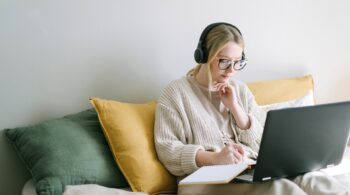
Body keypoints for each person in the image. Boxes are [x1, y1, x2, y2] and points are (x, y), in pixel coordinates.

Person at [154, 22, 350, 195]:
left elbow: (263, 144)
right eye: (224, 61)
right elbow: (168, 151)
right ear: (204, 56)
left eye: (238, 62)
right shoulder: (175, 93)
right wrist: (215, 158)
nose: (231, 70)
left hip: (248, 171)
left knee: (314, 180)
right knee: (282, 189)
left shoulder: (239, 89)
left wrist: (236, 109)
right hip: (202, 182)